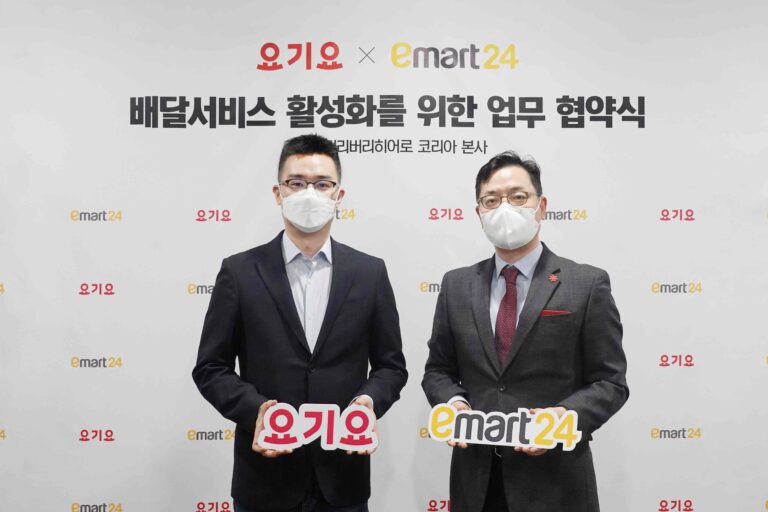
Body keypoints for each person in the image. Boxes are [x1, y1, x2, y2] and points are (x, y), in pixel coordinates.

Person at [193, 134, 408, 512]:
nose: (309, 193)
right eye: (296, 183)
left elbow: (391, 367)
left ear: (339, 195)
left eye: (322, 184)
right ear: (278, 193)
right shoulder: (240, 272)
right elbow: (211, 367)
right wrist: (257, 411)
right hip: (264, 479)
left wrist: (367, 403)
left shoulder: (370, 273)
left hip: (344, 478)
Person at [421, 151, 629, 512]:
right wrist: (454, 404)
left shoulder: (586, 284)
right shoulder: (457, 285)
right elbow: (438, 370)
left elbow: (610, 382)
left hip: (556, 484)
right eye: (491, 200)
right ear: (479, 213)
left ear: (541, 206)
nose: (505, 208)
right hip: (476, 484)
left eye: (518, 197)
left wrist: (562, 417)